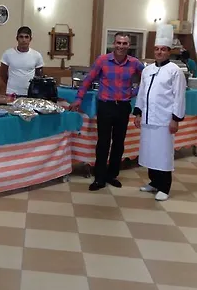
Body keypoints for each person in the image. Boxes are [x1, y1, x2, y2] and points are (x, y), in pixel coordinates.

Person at [69, 32, 144, 191]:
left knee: (119, 143)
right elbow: (88, 80)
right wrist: (78, 99)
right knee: (103, 142)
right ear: (114, 44)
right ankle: (100, 178)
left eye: (124, 43)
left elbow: (147, 79)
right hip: (105, 106)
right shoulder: (102, 60)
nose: (121, 46)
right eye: (118, 43)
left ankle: (112, 175)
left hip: (123, 106)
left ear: (128, 45)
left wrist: (134, 92)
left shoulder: (134, 63)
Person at [133, 24, 186, 201]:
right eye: (157, 49)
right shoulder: (147, 70)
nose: (159, 52)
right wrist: (138, 113)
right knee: (150, 153)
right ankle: (154, 182)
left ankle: (164, 187)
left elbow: (179, 97)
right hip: (148, 119)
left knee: (162, 154)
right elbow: (142, 93)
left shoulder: (175, 71)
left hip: (164, 120)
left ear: (169, 51)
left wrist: (175, 119)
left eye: (163, 49)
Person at [0, 26, 44, 96]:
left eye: (26, 37)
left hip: (30, 94)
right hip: (11, 93)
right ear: (17, 38)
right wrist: (3, 93)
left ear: (30, 39)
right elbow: (3, 75)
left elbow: (39, 77)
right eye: (21, 37)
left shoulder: (37, 55)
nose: (24, 40)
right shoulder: (7, 53)